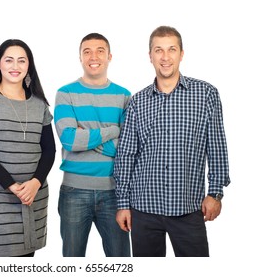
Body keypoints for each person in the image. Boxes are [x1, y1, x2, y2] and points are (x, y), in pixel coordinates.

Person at [114, 25, 231, 257]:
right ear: (150, 56)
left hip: (188, 208)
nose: (165, 57)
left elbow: (216, 146)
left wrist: (215, 193)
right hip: (144, 208)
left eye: (171, 49)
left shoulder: (206, 94)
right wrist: (122, 204)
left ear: (181, 54)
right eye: (159, 50)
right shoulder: (137, 102)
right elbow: (126, 155)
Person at [0, 39, 56, 257]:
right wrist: (12, 186)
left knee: (27, 258)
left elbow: (49, 150)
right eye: (9, 60)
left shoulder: (39, 104)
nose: (15, 66)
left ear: (28, 66)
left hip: (33, 196)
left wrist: (35, 183)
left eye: (21, 61)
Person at [54, 33, 131, 257]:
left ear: (109, 56)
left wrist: (86, 137)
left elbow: (127, 148)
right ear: (80, 57)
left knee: (120, 261)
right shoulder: (66, 93)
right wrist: (113, 131)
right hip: (73, 192)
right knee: (72, 260)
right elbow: (69, 139)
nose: (93, 56)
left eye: (99, 51)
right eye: (87, 51)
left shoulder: (125, 96)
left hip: (114, 193)